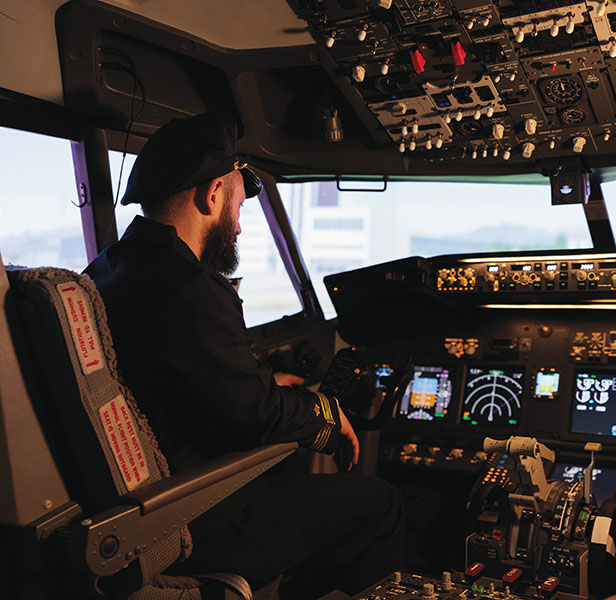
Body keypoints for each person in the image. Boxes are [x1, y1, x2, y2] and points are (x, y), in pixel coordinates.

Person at [84, 112, 404, 597]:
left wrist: (266, 383)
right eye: (237, 205)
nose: (238, 225)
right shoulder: (189, 286)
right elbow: (253, 416)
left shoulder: (108, 267)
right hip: (193, 513)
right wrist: (327, 416)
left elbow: (175, 377)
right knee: (381, 503)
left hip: (139, 497)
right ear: (212, 194)